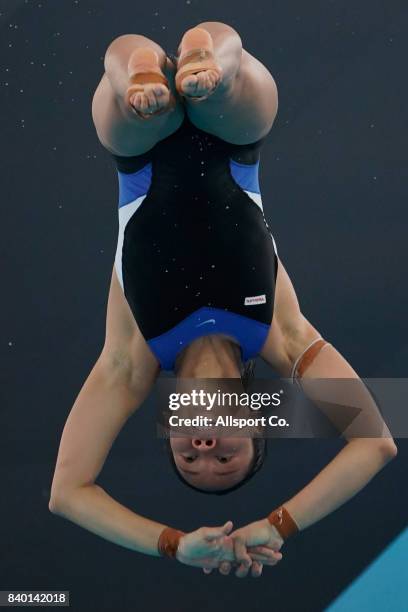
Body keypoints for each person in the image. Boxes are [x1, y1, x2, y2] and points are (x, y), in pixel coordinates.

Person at [49, 22, 397, 578]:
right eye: (225, 456)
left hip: (139, 161)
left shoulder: (131, 361)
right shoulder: (284, 337)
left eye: (189, 457)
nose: (205, 446)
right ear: (258, 419)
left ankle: (144, 67)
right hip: (235, 142)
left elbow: (67, 492)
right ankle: (205, 56)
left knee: (126, 81)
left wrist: (175, 545)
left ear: (168, 425)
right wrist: (274, 525)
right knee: (234, 82)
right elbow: (377, 444)